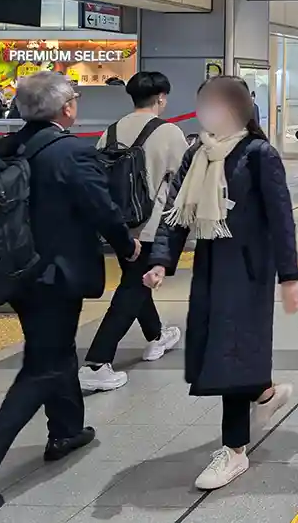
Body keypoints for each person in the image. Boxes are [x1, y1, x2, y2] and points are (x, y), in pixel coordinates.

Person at [0, 72, 140, 515]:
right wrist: (128, 247)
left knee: (53, 348)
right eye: (74, 98)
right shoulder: (71, 150)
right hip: (56, 274)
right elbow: (101, 208)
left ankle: (67, 430)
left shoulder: (4, 149)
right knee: (42, 368)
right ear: (65, 108)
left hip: (16, 270)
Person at [144, 75, 298, 492]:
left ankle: (234, 451)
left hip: (248, 270)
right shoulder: (199, 153)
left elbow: (282, 220)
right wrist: (161, 261)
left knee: (229, 352)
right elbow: (177, 212)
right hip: (212, 264)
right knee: (219, 347)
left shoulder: (258, 154)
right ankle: (264, 392)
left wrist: (289, 277)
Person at [80, 71, 190, 393]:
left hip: (119, 226)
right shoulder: (169, 132)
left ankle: (157, 336)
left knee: (134, 282)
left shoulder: (110, 132)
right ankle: (97, 363)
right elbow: (186, 177)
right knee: (131, 290)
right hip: (151, 225)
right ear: (160, 98)